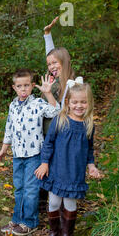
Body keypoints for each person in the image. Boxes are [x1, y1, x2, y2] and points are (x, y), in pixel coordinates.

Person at [35, 80, 102, 236]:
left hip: (74, 172)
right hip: (57, 169)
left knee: (70, 203)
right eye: (75, 102)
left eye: (83, 102)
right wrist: (44, 163)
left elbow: (89, 149)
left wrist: (91, 166)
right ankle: (54, 232)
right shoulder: (60, 120)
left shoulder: (88, 125)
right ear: (68, 103)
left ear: (89, 103)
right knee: (54, 202)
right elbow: (48, 143)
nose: (79, 106)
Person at [0, 68, 61, 236]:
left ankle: (30, 222)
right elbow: (9, 128)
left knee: (31, 188)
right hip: (18, 154)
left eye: (26, 85)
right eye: (19, 86)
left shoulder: (38, 104)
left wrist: (48, 93)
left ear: (32, 86)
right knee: (19, 188)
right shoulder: (13, 106)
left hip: (34, 154)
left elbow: (56, 111)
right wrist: (4, 149)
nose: (23, 89)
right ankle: (17, 219)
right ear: (14, 87)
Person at [38, 16, 76, 213]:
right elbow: (52, 57)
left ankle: (61, 205)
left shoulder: (72, 84)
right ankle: (47, 200)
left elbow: (61, 113)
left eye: (55, 63)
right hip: (49, 133)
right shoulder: (55, 78)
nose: (51, 67)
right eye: (48, 64)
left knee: (59, 168)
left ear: (64, 61)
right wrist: (47, 35)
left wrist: (47, 94)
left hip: (62, 136)